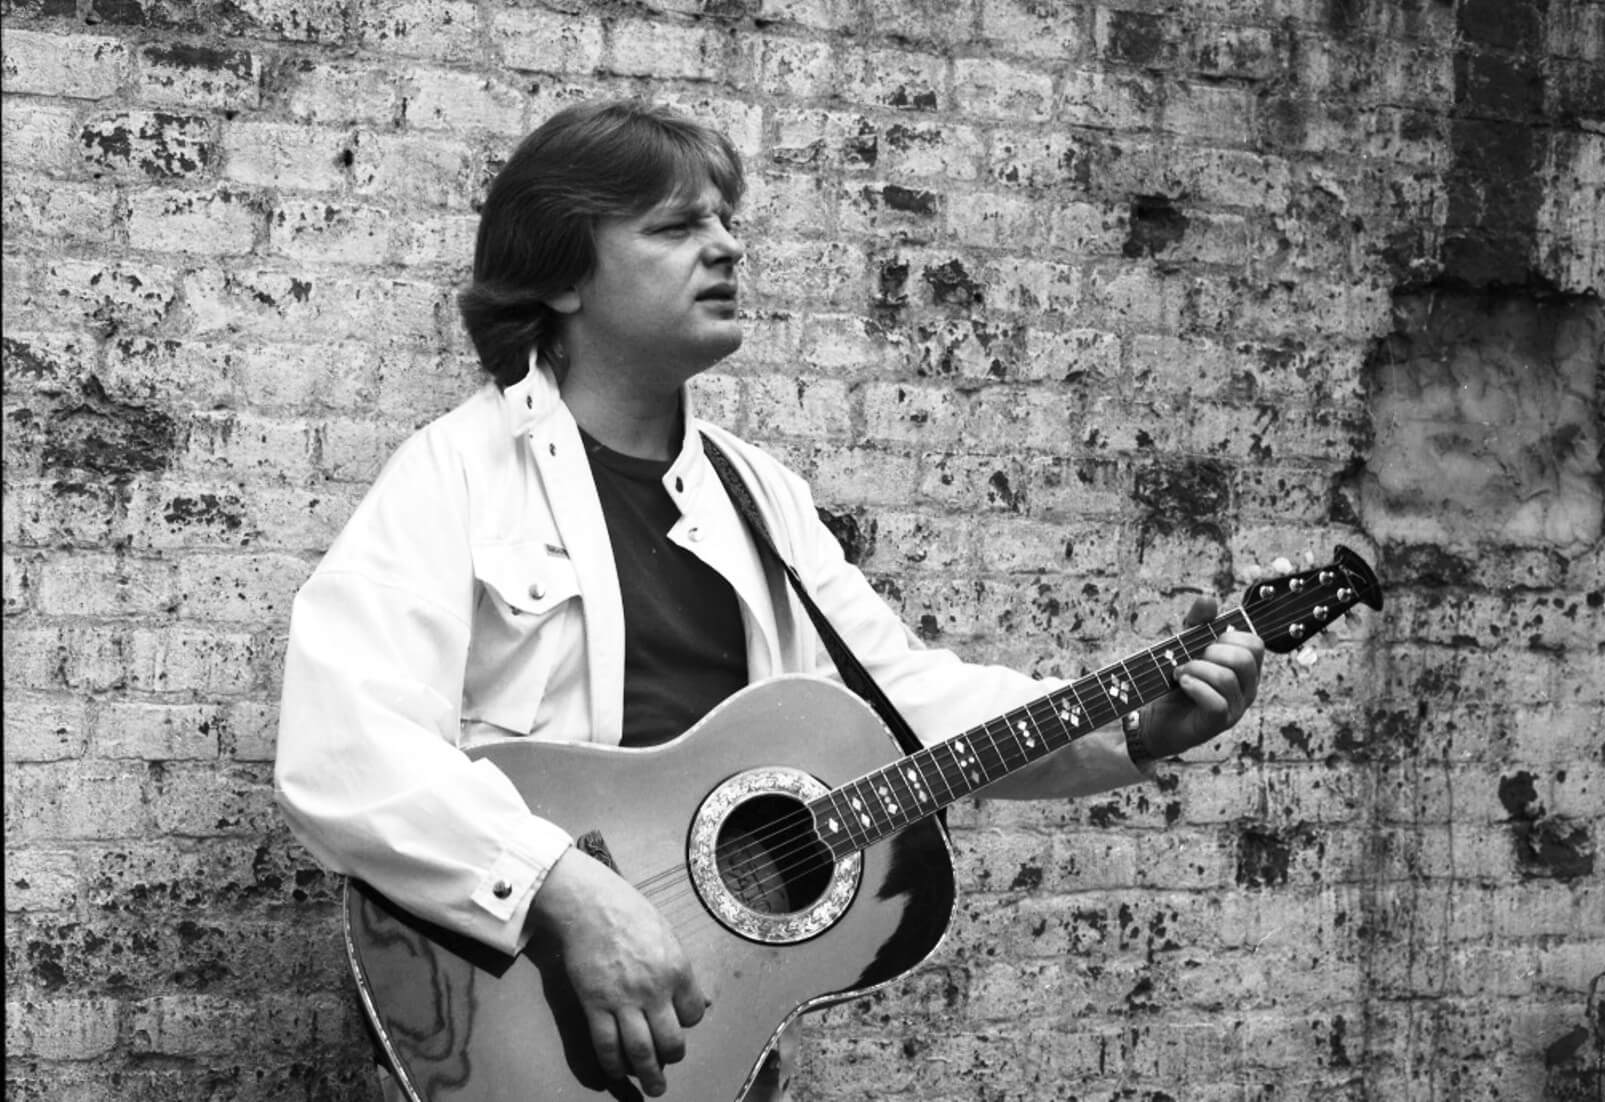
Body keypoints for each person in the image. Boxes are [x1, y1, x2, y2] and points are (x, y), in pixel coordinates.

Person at [273, 99, 1266, 1102]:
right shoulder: (456, 475)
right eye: (676, 226)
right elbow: (346, 745)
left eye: (725, 219)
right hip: (518, 1022)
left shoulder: (757, 495)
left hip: (709, 1035)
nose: (728, 247)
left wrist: (1133, 727)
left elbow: (904, 705)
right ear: (562, 276)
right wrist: (564, 891)